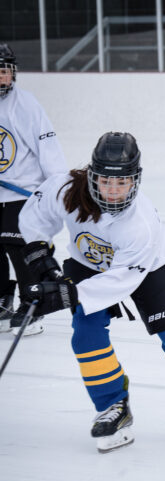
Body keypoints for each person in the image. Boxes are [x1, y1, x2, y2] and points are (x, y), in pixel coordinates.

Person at [19, 131, 165, 453]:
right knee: (85, 334)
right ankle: (114, 407)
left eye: (122, 182)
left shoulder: (140, 224)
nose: (113, 190)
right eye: (105, 181)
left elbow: (120, 281)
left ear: (135, 180)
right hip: (87, 263)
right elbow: (34, 217)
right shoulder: (66, 188)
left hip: (150, 267)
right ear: (93, 176)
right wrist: (43, 263)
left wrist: (64, 294)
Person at [0, 42, 67, 336]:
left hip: (22, 191)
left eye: (4, 71)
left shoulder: (25, 104)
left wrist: (56, 186)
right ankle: (3, 301)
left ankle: (32, 304)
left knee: (20, 248)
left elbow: (47, 145)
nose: (1, 77)